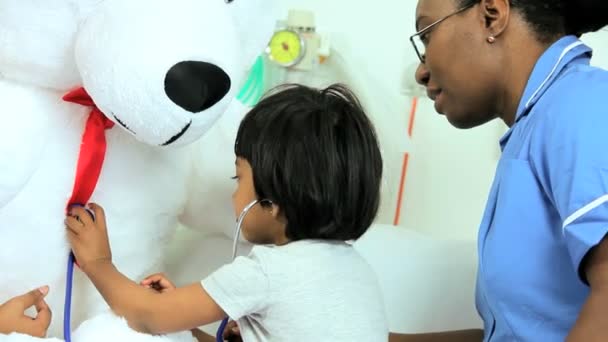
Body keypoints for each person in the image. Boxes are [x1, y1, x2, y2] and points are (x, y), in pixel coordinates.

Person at [64, 84, 388, 342]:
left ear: (272, 203)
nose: (234, 192)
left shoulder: (266, 272)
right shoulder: (359, 271)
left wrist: (98, 263)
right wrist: (186, 317)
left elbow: (148, 315)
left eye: (239, 178)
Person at [390, 0, 608, 341]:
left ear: (492, 15)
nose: (420, 71)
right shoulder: (534, 128)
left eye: (427, 34)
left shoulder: (580, 104)